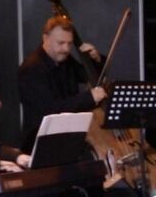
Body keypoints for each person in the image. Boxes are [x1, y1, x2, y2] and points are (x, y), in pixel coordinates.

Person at [18, 16, 105, 152]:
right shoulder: (32, 68)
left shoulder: (64, 59)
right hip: (42, 143)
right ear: (45, 38)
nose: (66, 49)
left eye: (70, 43)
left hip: (67, 137)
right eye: (61, 43)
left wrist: (96, 59)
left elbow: (87, 76)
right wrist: (89, 98)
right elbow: (49, 111)